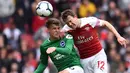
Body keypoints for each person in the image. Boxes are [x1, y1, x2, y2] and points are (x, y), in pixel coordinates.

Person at [61, 9, 127, 73]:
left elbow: (106, 23)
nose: (70, 24)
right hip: (84, 60)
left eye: (70, 21)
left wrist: (118, 36)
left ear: (75, 17)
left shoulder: (89, 21)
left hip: (98, 56)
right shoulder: (66, 29)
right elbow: (58, 37)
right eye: (67, 23)